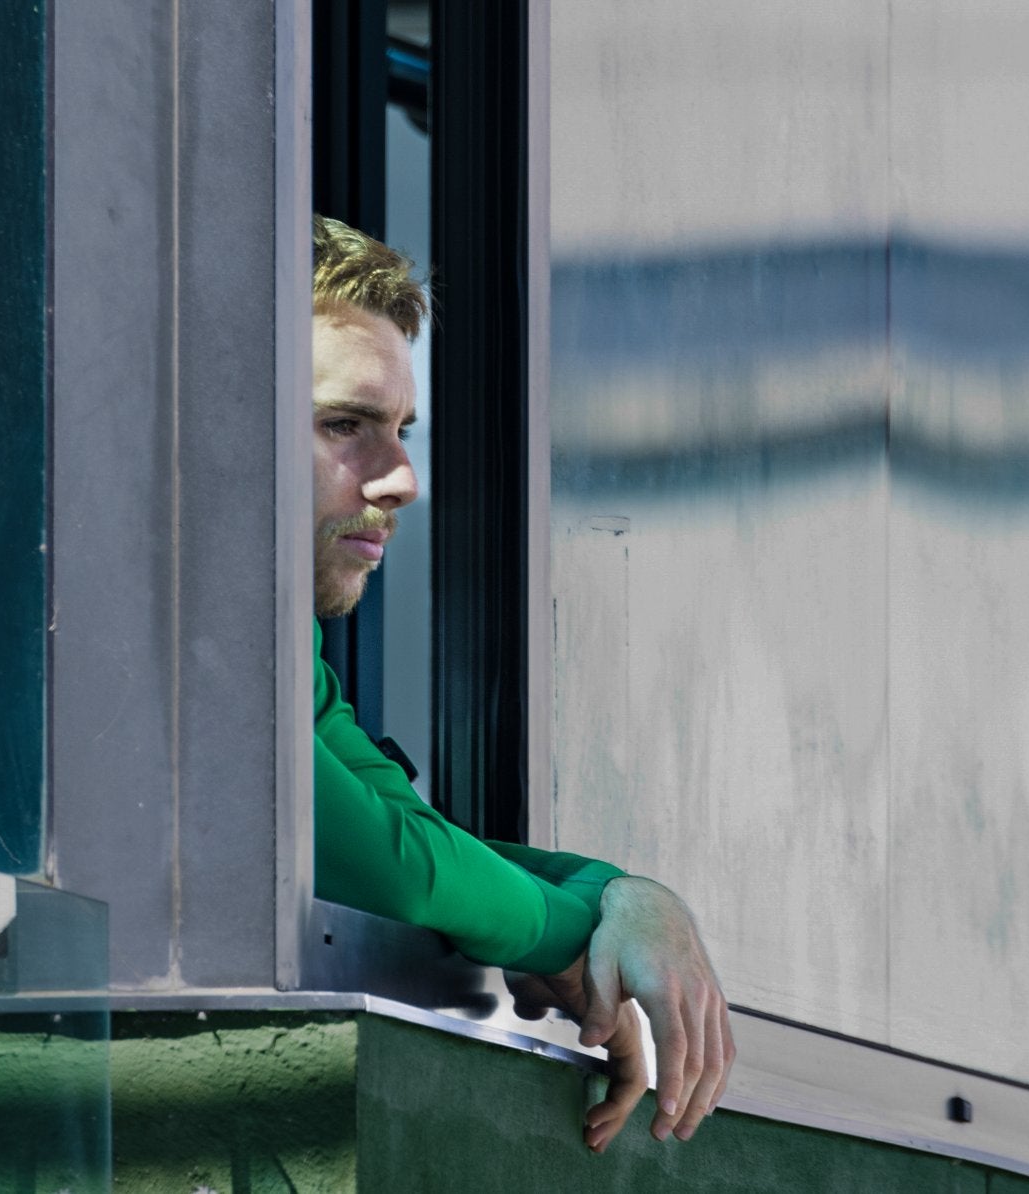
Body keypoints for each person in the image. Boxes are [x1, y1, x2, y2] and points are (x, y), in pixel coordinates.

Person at [308, 215, 733, 1153]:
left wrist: (619, 893)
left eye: (401, 431)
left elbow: (408, 836)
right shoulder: (167, 627)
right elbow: (395, 871)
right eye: (346, 425)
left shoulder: (285, 658)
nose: (402, 479)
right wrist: (580, 930)